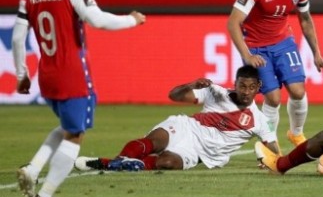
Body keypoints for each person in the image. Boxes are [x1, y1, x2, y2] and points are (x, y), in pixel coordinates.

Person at [12, 0, 146, 197]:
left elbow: (16, 37)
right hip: (72, 75)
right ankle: (46, 194)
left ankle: (33, 169)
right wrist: (132, 20)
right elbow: (98, 20)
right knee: (76, 134)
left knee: (66, 128)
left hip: (46, 77)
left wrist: (22, 74)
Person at [227, 0, 323, 149]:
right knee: (273, 98)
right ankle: (269, 145)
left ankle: (296, 134)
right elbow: (233, 22)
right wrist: (247, 55)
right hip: (257, 46)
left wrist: (317, 54)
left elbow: (305, 19)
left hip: (283, 42)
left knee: (298, 91)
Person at [75, 65, 280, 172]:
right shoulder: (215, 91)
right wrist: (191, 85)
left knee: (167, 163)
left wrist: (269, 160)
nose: (246, 91)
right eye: (242, 86)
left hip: (199, 152)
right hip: (186, 127)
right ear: (235, 84)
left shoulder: (260, 120)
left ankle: (109, 164)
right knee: (155, 142)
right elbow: (173, 96)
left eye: (251, 87)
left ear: (258, 88)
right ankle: (118, 163)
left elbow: (272, 147)